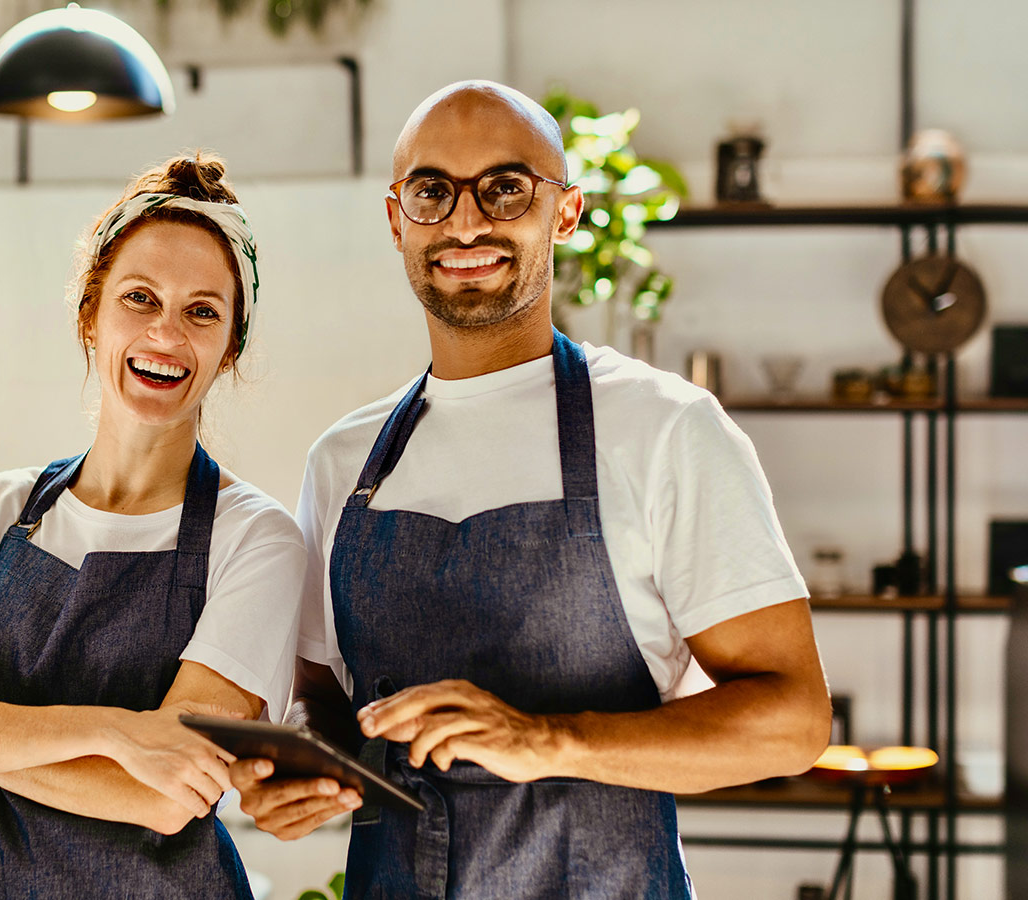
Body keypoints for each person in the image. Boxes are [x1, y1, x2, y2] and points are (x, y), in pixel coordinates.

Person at [230, 81, 831, 898]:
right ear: (396, 220)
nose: (466, 222)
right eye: (432, 191)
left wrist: (549, 740)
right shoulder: (345, 461)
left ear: (567, 214)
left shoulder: (666, 430)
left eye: (506, 187)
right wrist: (298, 776)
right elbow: (321, 696)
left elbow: (791, 723)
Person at [0, 153, 305, 900]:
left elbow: (166, 797)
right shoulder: (1, 510)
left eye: (203, 311)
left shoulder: (255, 540)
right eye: (140, 298)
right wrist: (118, 734)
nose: (167, 332)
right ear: (90, 317)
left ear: (229, 347)